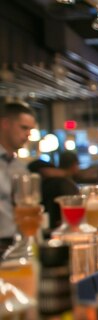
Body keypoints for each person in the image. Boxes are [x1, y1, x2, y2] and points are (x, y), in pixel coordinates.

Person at [0, 102, 36, 254]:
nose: (28, 134)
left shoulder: (21, 169)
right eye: (24, 128)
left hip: (17, 245)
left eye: (30, 130)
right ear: (5, 124)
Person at [31, 152, 80, 231]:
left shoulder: (50, 179)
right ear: (74, 165)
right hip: (63, 225)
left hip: (46, 223)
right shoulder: (66, 183)